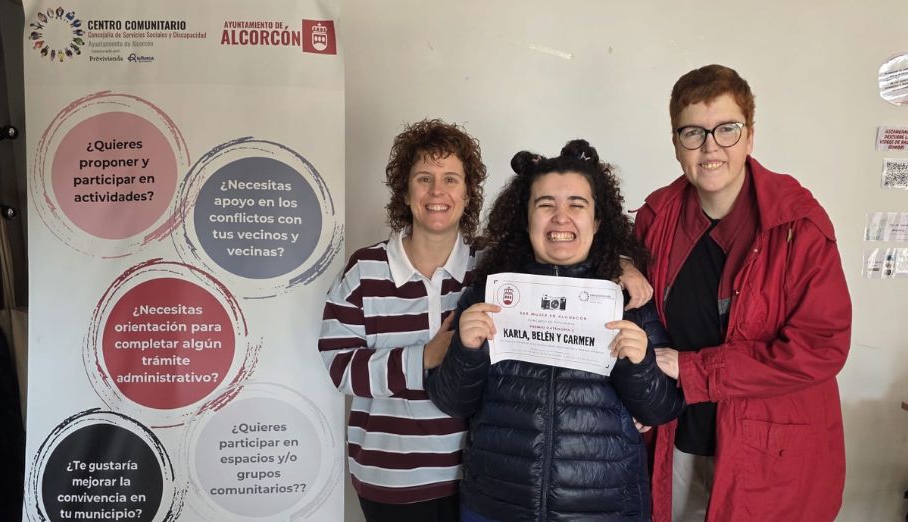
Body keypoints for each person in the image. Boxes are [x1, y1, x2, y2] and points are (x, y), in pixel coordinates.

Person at [319, 122, 652, 522]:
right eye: (424, 178)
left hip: (468, 477)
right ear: (405, 192)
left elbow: (561, 249)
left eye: (451, 179)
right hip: (390, 478)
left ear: (468, 192)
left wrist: (622, 264)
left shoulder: (491, 268)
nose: (437, 191)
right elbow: (339, 368)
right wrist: (424, 357)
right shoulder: (365, 269)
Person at [635, 65, 852, 521]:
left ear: (750, 137)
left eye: (726, 129)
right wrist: (619, 262)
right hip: (677, 439)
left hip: (768, 456)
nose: (710, 146)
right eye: (693, 132)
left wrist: (694, 369)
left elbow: (820, 348)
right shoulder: (657, 216)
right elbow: (635, 316)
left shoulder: (799, 226)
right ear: (676, 143)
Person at [426, 140, 684, 521]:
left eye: (576, 205)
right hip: (496, 505)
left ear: (597, 221)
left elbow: (661, 409)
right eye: (545, 204)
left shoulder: (630, 298)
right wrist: (466, 350)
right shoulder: (489, 293)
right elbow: (451, 402)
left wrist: (641, 362)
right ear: (526, 218)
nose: (561, 217)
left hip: (604, 510)